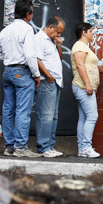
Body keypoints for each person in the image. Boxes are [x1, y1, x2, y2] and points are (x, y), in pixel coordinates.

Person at [0, 0, 40, 157]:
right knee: (22, 111)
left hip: (8, 72)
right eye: (32, 12)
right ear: (28, 13)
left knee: (8, 109)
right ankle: (21, 146)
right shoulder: (27, 29)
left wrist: (8, 58)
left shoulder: (6, 30)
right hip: (22, 72)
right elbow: (30, 54)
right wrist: (36, 74)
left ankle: (9, 146)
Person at [34, 16, 65, 158]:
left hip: (55, 82)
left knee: (53, 116)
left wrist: (58, 44)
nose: (59, 35)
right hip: (48, 82)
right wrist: (48, 76)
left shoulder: (51, 41)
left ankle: (50, 146)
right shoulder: (39, 38)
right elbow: (37, 59)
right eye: (58, 32)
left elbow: (59, 58)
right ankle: (43, 147)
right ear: (50, 27)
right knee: (46, 116)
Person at [72, 22, 101, 159]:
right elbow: (79, 65)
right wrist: (88, 83)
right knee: (92, 116)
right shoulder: (79, 46)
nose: (92, 34)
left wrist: (97, 69)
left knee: (83, 118)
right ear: (84, 32)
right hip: (83, 87)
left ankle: (82, 148)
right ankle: (86, 147)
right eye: (91, 31)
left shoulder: (84, 47)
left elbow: (86, 64)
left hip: (84, 87)